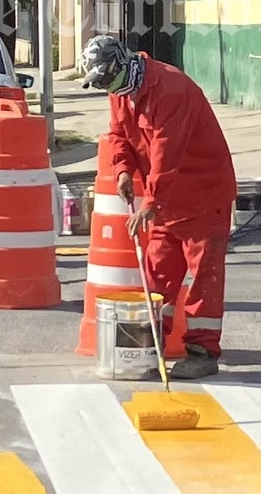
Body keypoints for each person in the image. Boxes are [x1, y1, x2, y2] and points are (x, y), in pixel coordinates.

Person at [81, 35, 237, 381]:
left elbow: (168, 152)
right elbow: (118, 134)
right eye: (102, 83)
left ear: (121, 64)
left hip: (202, 194)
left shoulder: (170, 89)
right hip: (167, 202)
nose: (107, 87)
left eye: (107, 79)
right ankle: (152, 346)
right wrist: (122, 170)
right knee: (157, 277)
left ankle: (203, 353)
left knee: (203, 280)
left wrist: (150, 204)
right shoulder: (121, 92)